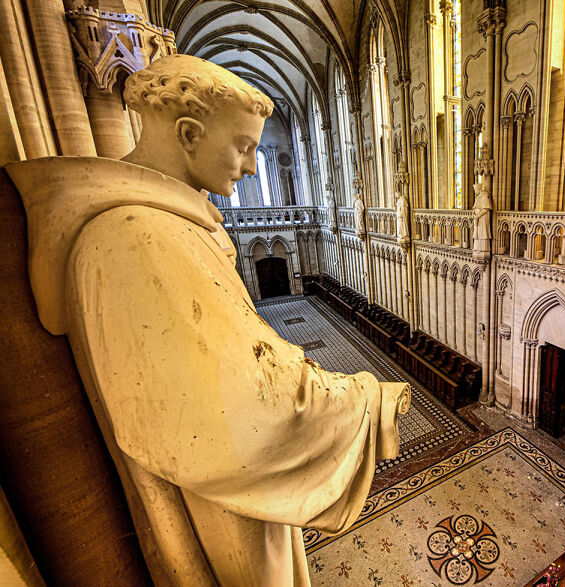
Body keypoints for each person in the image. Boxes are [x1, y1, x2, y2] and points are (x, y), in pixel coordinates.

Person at [7, 54, 409, 587]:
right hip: (216, 493)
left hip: (216, 478)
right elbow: (242, 410)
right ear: (190, 133)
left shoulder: (162, 224)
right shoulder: (137, 236)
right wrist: (365, 399)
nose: (249, 167)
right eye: (244, 147)